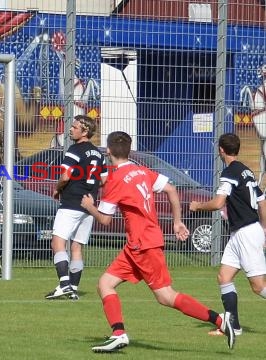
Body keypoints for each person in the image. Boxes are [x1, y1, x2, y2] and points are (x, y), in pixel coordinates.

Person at [80, 131, 235, 353]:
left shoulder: (115, 180)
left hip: (143, 245)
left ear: (108, 151)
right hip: (138, 244)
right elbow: (171, 189)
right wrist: (177, 222)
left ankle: (220, 320)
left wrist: (89, 206)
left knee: (166, 296)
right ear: (129, 150)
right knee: (105, 284)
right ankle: (118, 333)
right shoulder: (141, 171)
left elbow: (105, 219)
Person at [189, 132, 266, 337]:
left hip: (247, 233)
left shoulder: (230, 172)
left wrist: (197, 206)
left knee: (259, 287)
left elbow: (217, 203)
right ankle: (233, 326)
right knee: (224, 277)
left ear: (221, 150)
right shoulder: (246, 172)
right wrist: (264, 228)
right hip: (241, 233)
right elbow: (262, 201)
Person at [45, 115, 107, 300]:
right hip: (88, 205)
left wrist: (58, 190)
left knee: (57, 242)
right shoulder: (98, 153)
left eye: (74, 127)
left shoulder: (75, 149)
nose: (70, 129)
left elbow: (65, 176)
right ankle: (73, 288)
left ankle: (64, 285)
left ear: (84, 131)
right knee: (77, 247)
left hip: (72, 202)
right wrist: (90, 188)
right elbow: (104, 180)